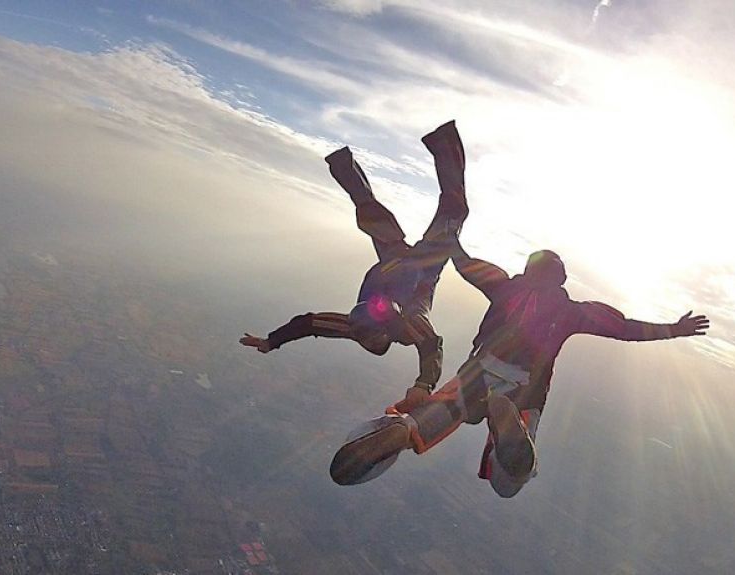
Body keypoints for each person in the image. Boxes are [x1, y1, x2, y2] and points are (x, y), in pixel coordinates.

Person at [330, 242, 709, 497]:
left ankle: (403, 429)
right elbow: (624, 329)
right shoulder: (573, 311)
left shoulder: (505, 287)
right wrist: (674, 329)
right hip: (525, 388)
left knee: (429, 419)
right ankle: (510, 418)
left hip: (476, 374)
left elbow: (466, 265)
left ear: (527, 273)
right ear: (560, 281)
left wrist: (451, 238)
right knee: (507, 481)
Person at [240, 121, 468, 401]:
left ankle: (345, 162)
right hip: (415, 263)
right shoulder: (408, 324)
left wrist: (271, 341)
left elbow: (310, 323)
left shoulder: (354, 325)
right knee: (442, 208)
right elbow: (432, 346)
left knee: (378, 207)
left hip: (399, 261)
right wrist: (423, 385)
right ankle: (440, 142)